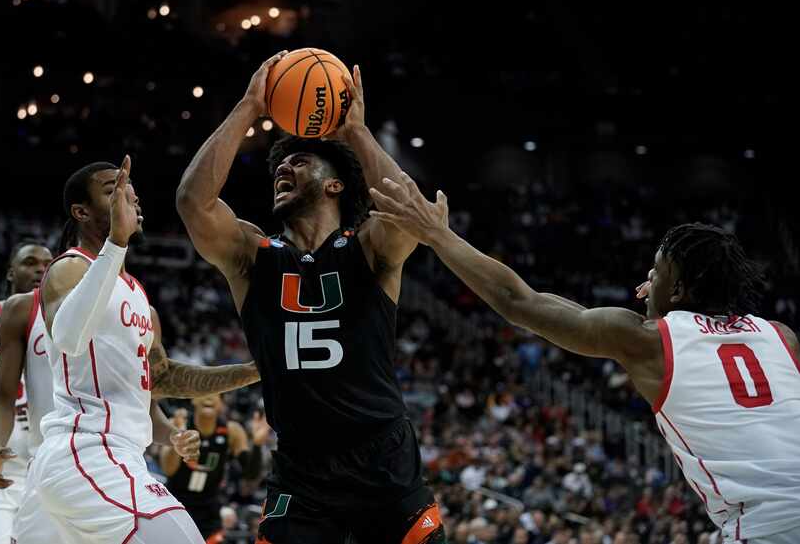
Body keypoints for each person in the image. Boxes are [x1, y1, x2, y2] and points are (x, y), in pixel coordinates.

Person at [369, 171, 800, 544]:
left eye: (657, 269)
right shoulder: (781, 337)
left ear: (681, 290)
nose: (647, 276)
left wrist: (438, 235)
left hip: (767, 526)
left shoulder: (649, 340)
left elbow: (519, 302)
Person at [176, 52, 445, 543]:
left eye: (300, 160)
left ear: (335, 184)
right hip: (302, 467)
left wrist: (356, 134)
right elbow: (193, 203)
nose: (284, 168)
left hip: (382, 457)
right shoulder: (252, 254)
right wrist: (247, 107)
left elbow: (414, 216)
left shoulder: (370, 245)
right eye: (280, 164)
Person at [28, 157, 263, 544]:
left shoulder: (139, 297)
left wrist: (254, 370)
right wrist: (115, 243)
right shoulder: (70, 267)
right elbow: (68, 337)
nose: (130, 199)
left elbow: (163, 378)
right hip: (87, 451)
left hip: (115, 457)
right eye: (114, 191)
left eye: (132, 194)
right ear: (81, 211)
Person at [0, 242, 52, 544]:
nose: (41, 269)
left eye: (47, 263)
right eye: (30, 262)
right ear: (10, 273)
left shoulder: (65, 327)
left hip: (45, 469)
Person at [160, 394, 268, 539]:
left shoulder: (232, 431)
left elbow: (251, 475)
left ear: (221, 403)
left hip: (209, 509)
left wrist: (257, 445)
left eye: (216, 394)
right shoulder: (180, 424)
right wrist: (177, 439)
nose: (209, 396)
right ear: (193, 398)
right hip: (176, 503)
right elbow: (168, 469)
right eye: (204, 391)